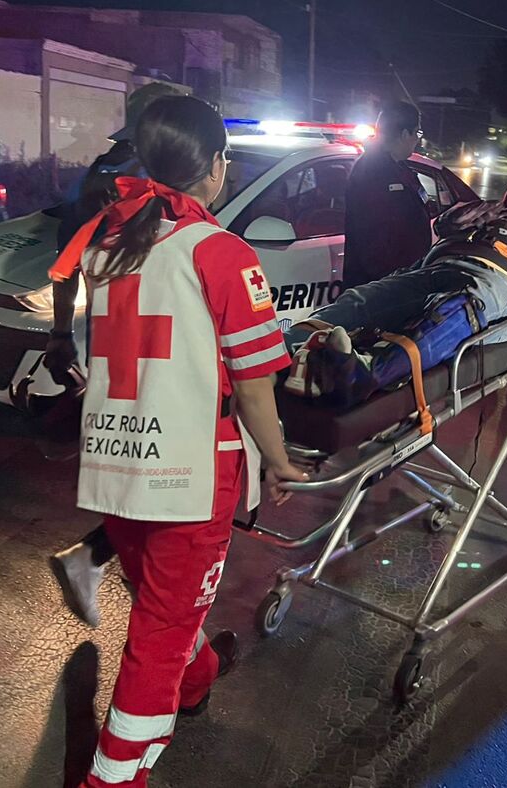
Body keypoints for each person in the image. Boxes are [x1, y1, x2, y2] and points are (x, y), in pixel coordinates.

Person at [50, 95, 306, 788]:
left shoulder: (112, 241)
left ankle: (198, 678)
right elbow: (254, 388)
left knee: (163, 601)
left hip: (114, 460)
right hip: (190, 474)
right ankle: (113, 776)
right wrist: (279, 461)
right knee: (158, 632)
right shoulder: (221, 252)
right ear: (217, 167)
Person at [46, 82, 185, 629]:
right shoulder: (152, 177)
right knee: (168, 469)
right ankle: (134, 582)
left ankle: (98, 558)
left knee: (136, 461)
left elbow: (67, 256)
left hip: (116, 341)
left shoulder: (104, 169)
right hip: (159, 340)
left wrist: (61, 333)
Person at [286, 169, 507, 395]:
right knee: (362, 299)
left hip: (494, 284)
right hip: (433, 270)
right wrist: (475, 213)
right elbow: (445, 226)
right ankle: (283, 351)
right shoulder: (486, 211)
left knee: (456, 308)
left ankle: (363, 375)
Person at [341, 101, 432, 288]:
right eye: (418, 133)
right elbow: (374, 242)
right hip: (379, 288)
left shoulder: (400, 168)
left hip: (401, 280)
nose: (418, 140)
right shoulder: (371, 171)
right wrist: (393, 284)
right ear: (405, 134)